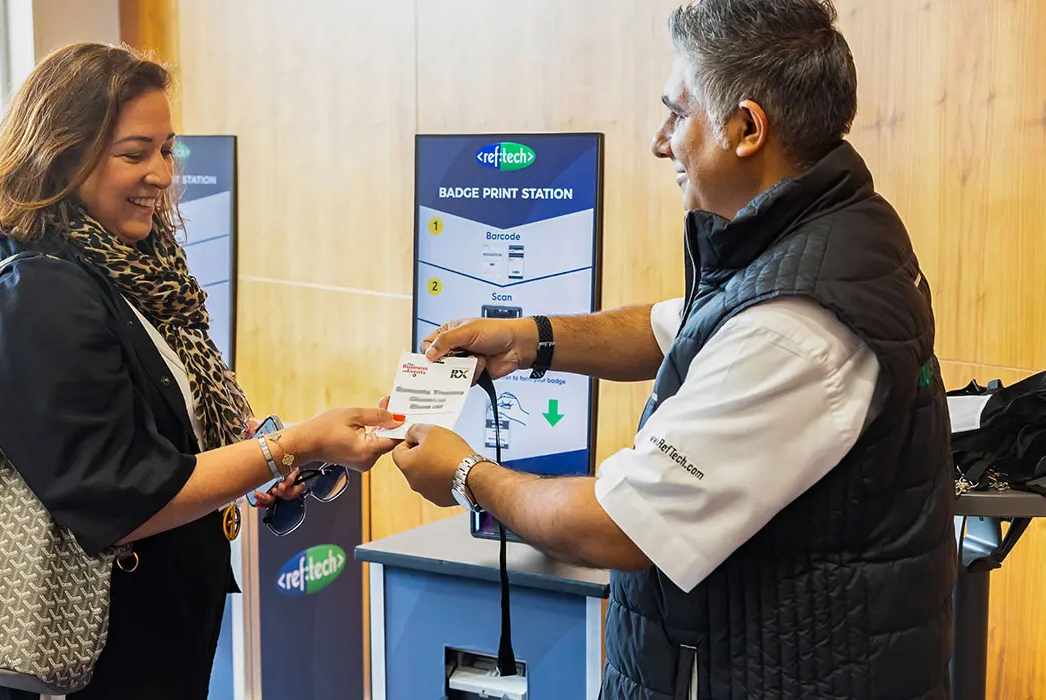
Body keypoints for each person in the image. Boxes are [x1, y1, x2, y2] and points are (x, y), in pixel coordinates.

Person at [392, 1, 956, 698]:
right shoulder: (827, 231)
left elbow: (618, 526)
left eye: (676, 113)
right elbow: (676, 329)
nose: (661, 142)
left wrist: (466, 476)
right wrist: (530, 339)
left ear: (747, 128)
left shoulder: (796, 324)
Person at [0, 43, 402, 699]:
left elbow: (161, 439)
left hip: (148, 634)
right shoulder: (38, 290)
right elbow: (117, 497)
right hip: (71, 656)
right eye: (134, 153)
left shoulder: (130, 269)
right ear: (59, 154)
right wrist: (286, 448)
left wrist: (268, 457)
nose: (160, 174)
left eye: (167, 150)